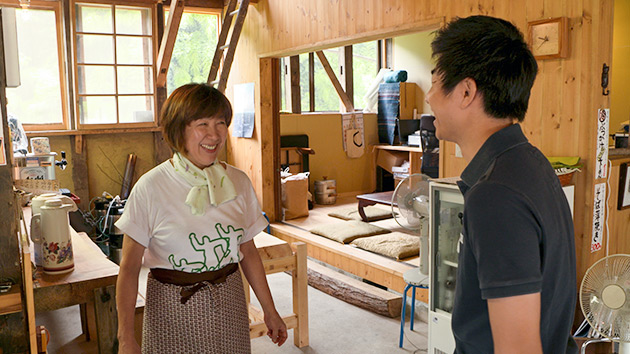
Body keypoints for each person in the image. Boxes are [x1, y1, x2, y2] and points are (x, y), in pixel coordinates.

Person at [426, 16, 577, 354]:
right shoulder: (528, 161)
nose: (429, 96)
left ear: (466, 91)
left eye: (435, 81)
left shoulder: (495, 195)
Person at [115, 83, 287, 353]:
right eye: (202, 124)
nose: (214, 134)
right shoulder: (150, 188)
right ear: (179, 129)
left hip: (229, 300)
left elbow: (248, 250)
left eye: (220, 123)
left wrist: (270, 310)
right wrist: (126, 336)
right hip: (171, 308)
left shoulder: (238, 182)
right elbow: (129, 267)